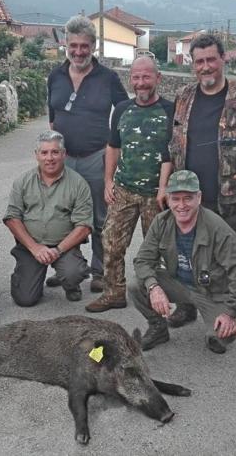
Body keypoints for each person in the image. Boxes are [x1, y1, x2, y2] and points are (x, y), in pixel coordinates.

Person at [166, 33, 236, 329]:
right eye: (199, 61)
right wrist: (165, 188)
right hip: (187, 196)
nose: (205, 67)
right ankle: (187, 307)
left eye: (211, 59)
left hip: (228, 194)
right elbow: (170, 146)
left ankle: (226, 315)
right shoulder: (183, 97)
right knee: (184, 253)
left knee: (226, 258)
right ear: (192, 64)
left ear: (223, 59)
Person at [46, 15, 129, 293]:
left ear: (93, 46)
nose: (79, 52)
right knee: (62, 215)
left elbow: (125, 113)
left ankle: (100, 272)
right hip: (62, 159)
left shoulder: (108, 78)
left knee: (100, 217)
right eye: (73, 46)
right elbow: (52, 116)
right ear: (66, 45)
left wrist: (117, 150)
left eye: (84, 46)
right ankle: (68, 268)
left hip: (97, 157)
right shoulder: (55, 76)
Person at [129, 170, 236, 354]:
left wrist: (229, 312)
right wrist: (154, 288)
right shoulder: (161, 222)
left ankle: (223, 320)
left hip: (212, 292)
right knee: (136, 285)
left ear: (199, 197)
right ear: (168, 199)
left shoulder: (218, 229)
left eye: (188, 198)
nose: (181, 205)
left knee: (220, 338)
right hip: (179, 284)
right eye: (175, 198)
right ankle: (158, 328)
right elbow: (142, 260)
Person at [85, 57, 173, 313]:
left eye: (146, 77)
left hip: (155, 195)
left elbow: (173, 151)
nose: (140, 83)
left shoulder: (171, 110)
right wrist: (108, 180)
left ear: (158, 78)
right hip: (124, 189)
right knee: (111, 241)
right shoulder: (122, 109)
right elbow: (113, 146)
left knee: (158, 251)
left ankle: (158, 297)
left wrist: (165, 187)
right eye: (136, 77)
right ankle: (113, 293)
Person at [3, 130, 93, 306]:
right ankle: (30, 274)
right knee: (25, 299)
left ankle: (71, 284)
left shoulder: (78, 183)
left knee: (72, 273)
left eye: (55, 152)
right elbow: (12, 218)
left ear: (64, 154)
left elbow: (84, 226)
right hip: (31, 246)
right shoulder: (22, 182)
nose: (49, 158)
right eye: (44, 152)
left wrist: (57, 251)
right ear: (36, 155)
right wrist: (35, 248)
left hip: (64, 247)